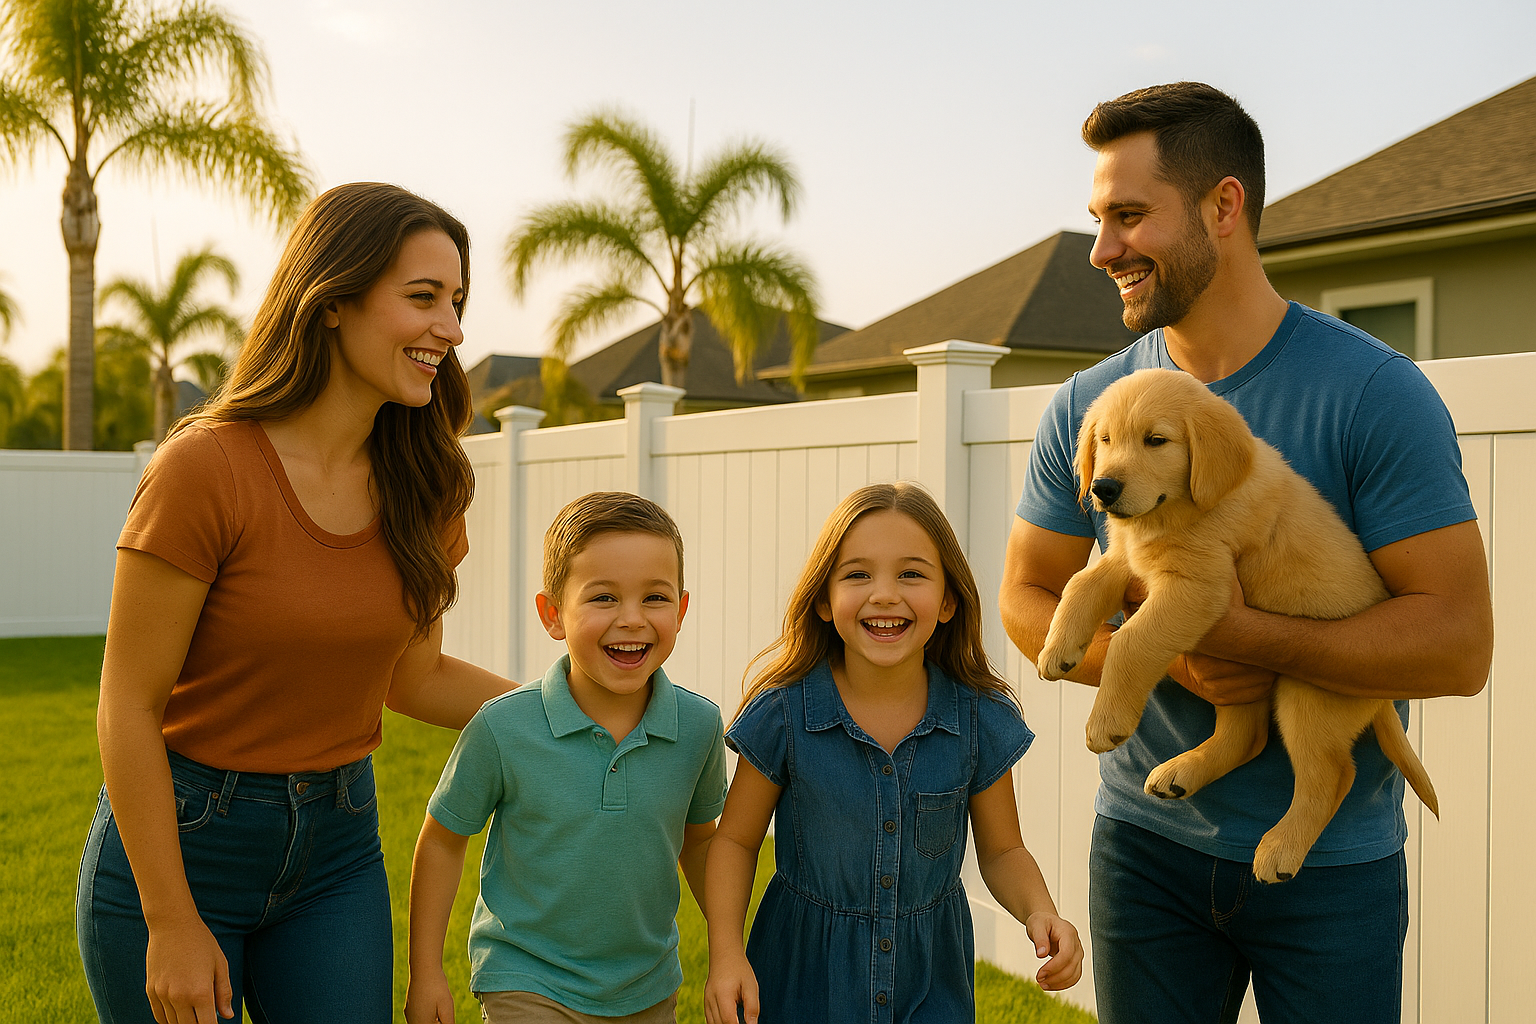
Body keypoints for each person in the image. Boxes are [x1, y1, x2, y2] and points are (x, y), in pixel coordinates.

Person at [998, 82, 1495, 1024]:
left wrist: (1245, 639)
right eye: (1099, 219)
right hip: (1142, 850)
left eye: (1131, 217)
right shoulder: (1089, 407)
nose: (1103, 251)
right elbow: (1028, 591)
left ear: (1225, 207)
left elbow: (1459, 647)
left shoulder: (1373, 394)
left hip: (1331, 876)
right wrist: (1167, 659)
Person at [77, 182, 517, 1024]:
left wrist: (567, 709)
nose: (452, 330)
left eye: (456, 302)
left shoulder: (429, 484)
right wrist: (170, 919)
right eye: (423, 298)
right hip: (182, 844)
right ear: (331, 304)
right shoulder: (205, 469)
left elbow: (413, 678)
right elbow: (126, 706)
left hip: (336, 851)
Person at [704, 482, 1082, 1024]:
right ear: (824, 601)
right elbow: (736, 842)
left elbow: (1002, 852)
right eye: (857, 575)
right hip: (800, 983)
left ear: (948, 599)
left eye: (911, 574)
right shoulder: (785, 713)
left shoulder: (974, 719)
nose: (884, 594)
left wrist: (1040, 911)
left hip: (931, 984)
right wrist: (726, 954)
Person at [407, 491, 726, 1024]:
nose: (631, 619)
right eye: (603, 598)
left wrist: (727, 951)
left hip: (647, 986)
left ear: (682, 608)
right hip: (526, 978)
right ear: (552, 614)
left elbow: (702, 843)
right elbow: (442, 841)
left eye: (655, 597)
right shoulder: (503, 727)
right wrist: (426, 973)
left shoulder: (698, 727)